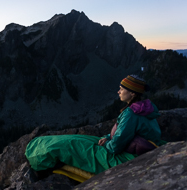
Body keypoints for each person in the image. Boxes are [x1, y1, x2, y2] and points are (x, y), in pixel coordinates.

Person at [25, 75, 163, 177]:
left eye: (122, 89)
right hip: (131, 149)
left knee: (73, 144)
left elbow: (116, 146)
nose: (118, 92)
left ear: (132, 93)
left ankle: (38, 157)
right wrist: (108, 137)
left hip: (125, 156)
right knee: (79, 141)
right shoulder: (144, 108)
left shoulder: (131, 114)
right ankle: (39, 150)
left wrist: (107, 143)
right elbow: (127, 133)